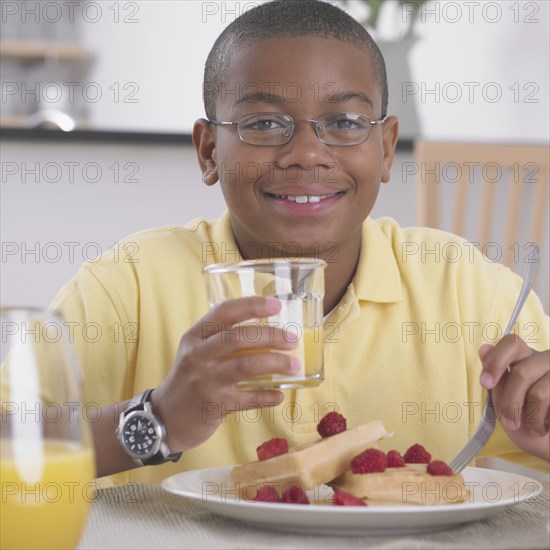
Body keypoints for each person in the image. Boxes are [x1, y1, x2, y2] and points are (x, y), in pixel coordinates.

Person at [50, 0, 549, 486]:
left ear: (386, 148)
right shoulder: (127, 284)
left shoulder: (471, 290)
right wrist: (155, 421)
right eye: (263, 123)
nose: (306, 153)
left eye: (346, 123)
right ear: (208, 151)